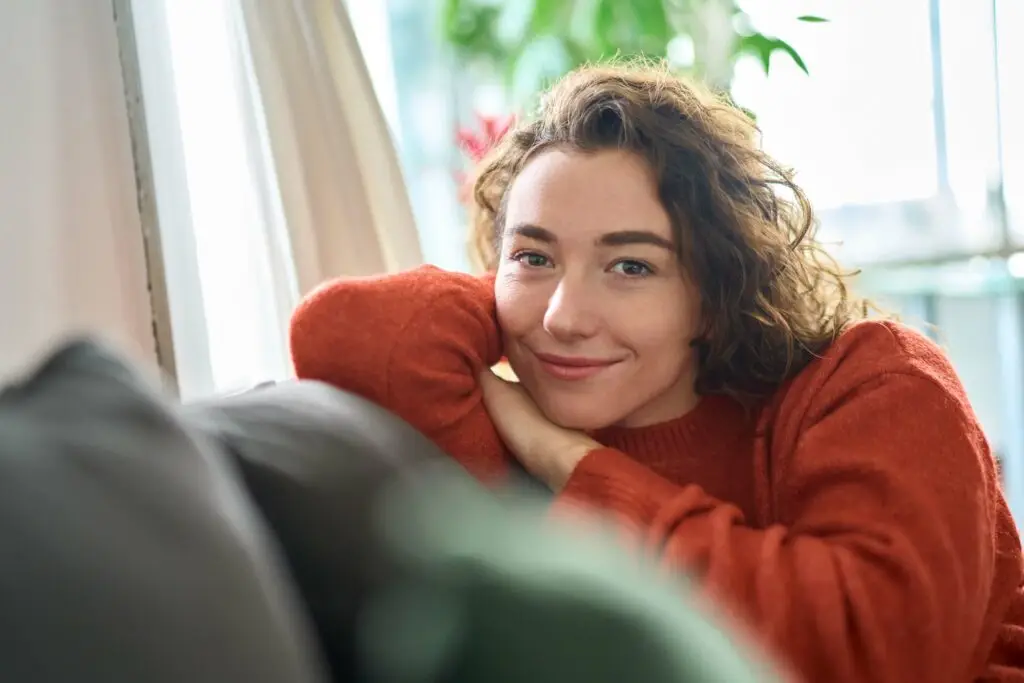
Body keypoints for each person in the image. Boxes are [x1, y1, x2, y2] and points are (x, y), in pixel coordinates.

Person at [289, 62, 1024, 681]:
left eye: (632, 264)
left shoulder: (876, 382)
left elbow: (875, 652)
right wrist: (516, 302)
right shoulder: (501, 389)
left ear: (717, 288)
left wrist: (572, 463)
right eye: (533, 254)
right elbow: (338, 332)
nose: (565, 317)